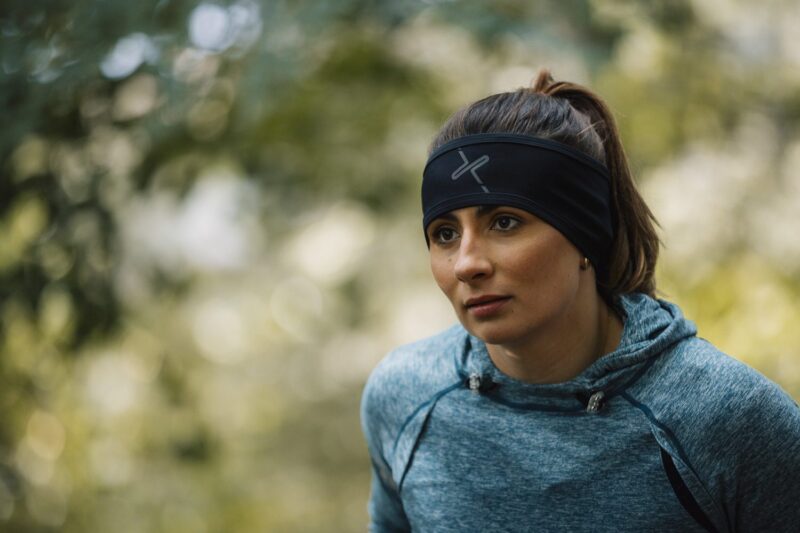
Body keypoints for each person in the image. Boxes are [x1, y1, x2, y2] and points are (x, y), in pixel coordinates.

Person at [359, 69, 800, 532]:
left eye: (505, 223)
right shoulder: (404, 395)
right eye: (444, 234)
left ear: (584, 236)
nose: (467, 263)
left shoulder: (726, 419)